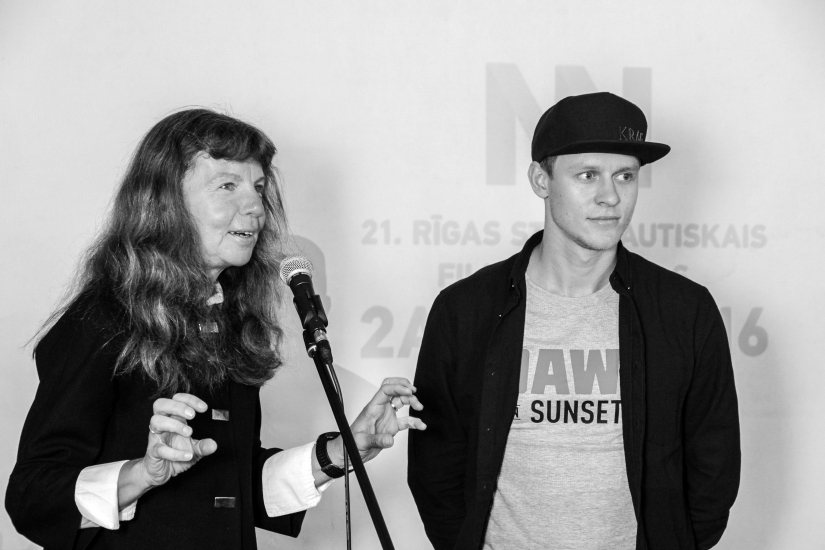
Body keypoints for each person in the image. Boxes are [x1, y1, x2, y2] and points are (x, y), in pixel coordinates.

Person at [5, 109, 425, 550]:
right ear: (165, 202)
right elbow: (33, 497)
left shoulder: (228, 319)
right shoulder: (101, 320)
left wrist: (344, 450)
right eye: (227, 186)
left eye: (258, 187)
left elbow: (229, 490)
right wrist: (143, 473)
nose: (256, 207)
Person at [408, 92, 740, 549]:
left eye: (625, 176)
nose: (610, 196)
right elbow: (435, 466)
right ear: (540, 180)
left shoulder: (685, 311)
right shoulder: (464, 310)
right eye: (588, 175)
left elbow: (714, 467)